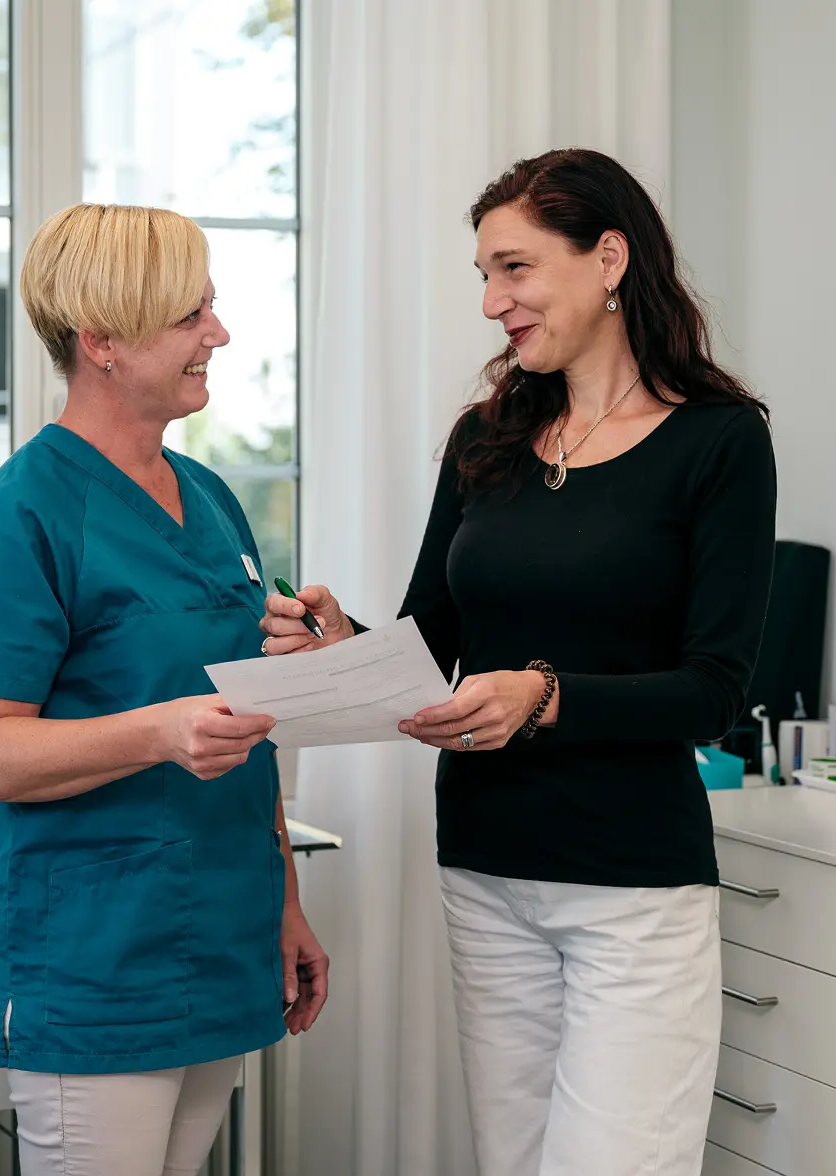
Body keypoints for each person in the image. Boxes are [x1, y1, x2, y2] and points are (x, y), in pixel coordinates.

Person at [259, 149, 776, 1176]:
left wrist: (544, 698)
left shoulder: (717, 444)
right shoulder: (483, 441)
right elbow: (431, 642)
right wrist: (344, 642)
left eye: (515, 269)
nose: (493, 302)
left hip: (630, 889)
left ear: (608, 259)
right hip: (486, 869)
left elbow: (713, 692)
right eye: (485, 276)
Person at [0, 203, 328, 1176]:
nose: (217, 335)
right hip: (95, 958)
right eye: (191, 316)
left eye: (210, 308)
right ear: (101, 341)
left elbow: (242, 717)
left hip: (224, 928)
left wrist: (283, 900)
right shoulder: (19, 518)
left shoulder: (212, 499)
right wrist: (155, 732)